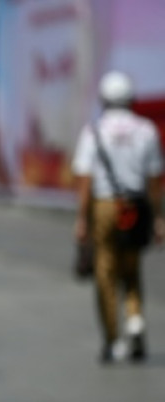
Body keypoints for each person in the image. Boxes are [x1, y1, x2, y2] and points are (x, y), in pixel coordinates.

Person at [72, 70, 165, 363]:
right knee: (132, 268)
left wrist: (82, 219)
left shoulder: (94, 131)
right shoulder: (147, 130)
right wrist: (159, 217)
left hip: (105, 205)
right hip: (136, 206)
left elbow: (85, 178)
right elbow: (154, 179)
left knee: (105, 271)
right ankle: (135, 321)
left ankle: (112, 338)